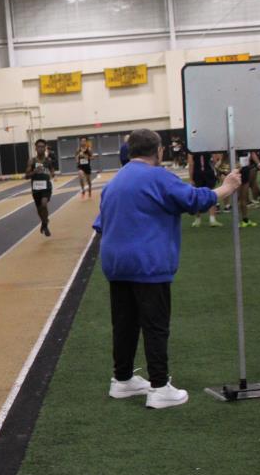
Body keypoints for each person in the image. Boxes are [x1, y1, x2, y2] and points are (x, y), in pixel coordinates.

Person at [94, 129, 242, 409]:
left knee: (124, 324)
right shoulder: (158, 177)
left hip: (115, 263)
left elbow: (100, 223)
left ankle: (122, 379)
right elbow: (194, 200)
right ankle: (160, 386)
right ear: (159, 151)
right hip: (148, 262)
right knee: (155, 325)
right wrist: (226, 187)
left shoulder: (113, 183)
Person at [25, 138, 54, 236]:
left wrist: (52, 174)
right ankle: (44, 221)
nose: (40, 148)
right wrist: (34, 171)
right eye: (39, 147)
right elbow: (26, 176)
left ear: (45, 148)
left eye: (42, 147)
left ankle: (45, 224)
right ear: (35, 148)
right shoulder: (32, 161)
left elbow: (52, 170)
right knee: (39, 209)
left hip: (46, 187)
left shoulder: (48, 160)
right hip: (36, 188)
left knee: (44, 204)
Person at [187, 149, 221, 228]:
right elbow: (215, 160)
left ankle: (198, 219)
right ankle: (212, 219)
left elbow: (191, 163)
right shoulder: (207, 146)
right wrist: (217, 171)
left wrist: (191, 178)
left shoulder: (192, 148)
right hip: (208, 172)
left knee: (197, 196)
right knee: (211, 194)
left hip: (197, 173)